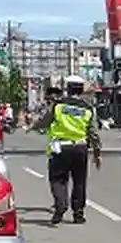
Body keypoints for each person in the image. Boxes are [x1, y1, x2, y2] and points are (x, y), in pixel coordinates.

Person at [33, 77, 102, 225]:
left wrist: (34, 126)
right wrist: (97, 152)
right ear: (81, 91)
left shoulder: (58, 105)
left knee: (57, 179)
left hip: (61, 148)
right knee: (79, 181)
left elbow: (45, 121)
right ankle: (78, 214)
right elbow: (93, 132)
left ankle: (60, 205)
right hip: (80, 147)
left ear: (68, 90)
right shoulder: (88, 108)